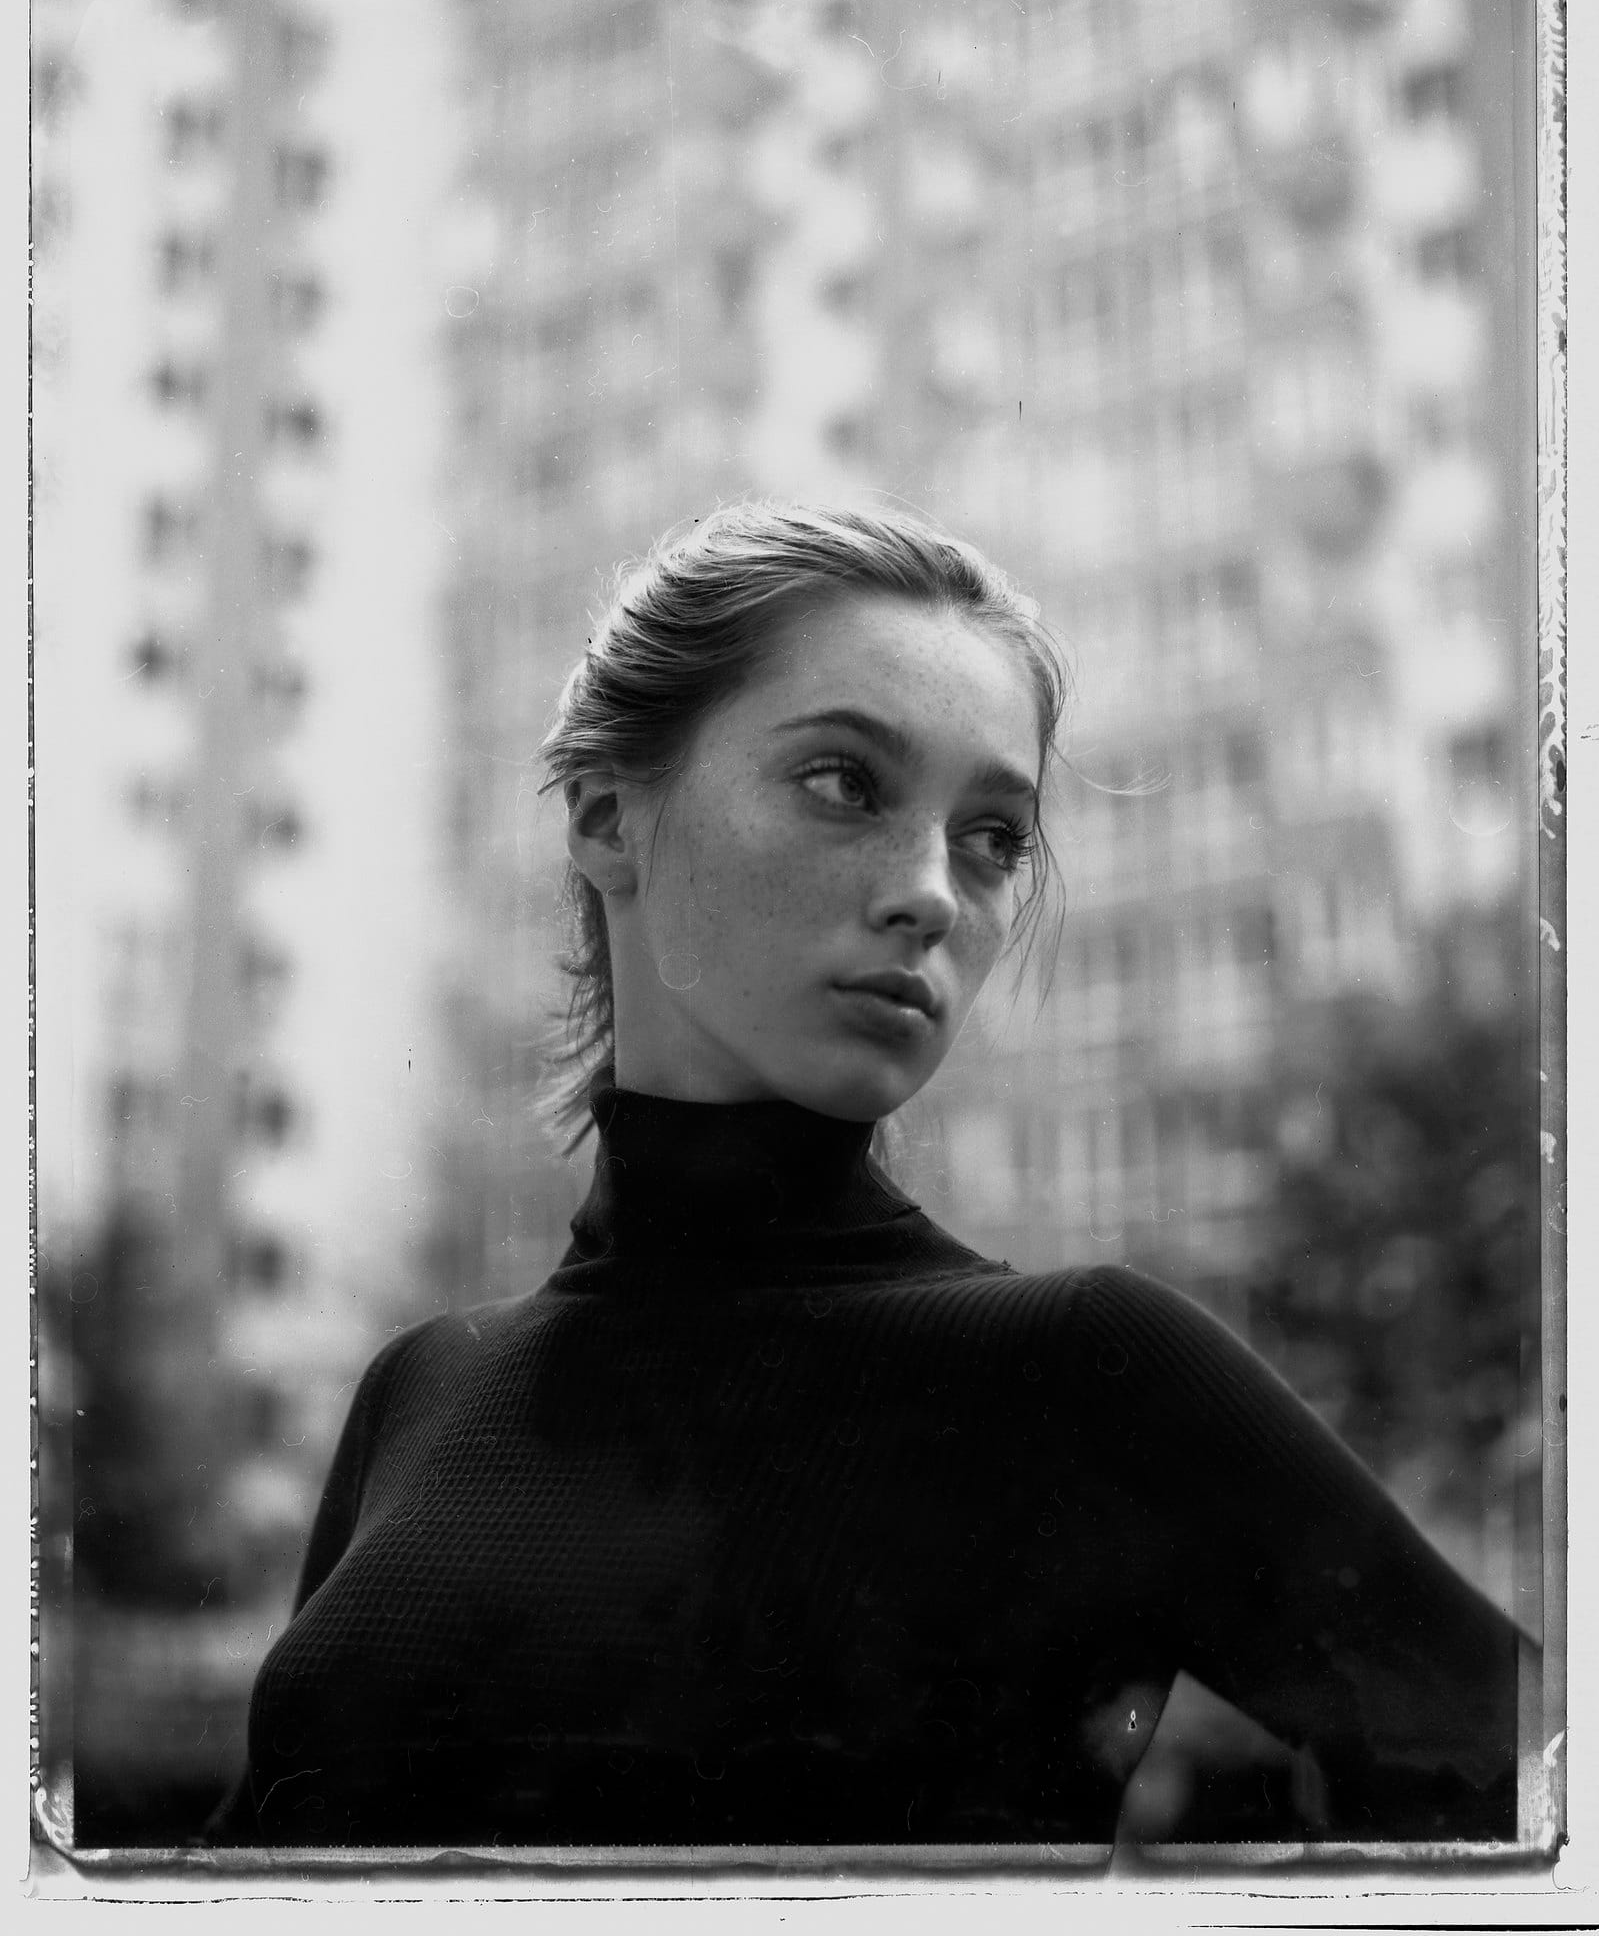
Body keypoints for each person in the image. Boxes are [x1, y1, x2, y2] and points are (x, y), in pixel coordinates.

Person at [207, 503, 1533, 1851]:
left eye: (995, 837)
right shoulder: (422, 1392)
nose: (933, 894)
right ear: (611, 818)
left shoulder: (1083, 1372)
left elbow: (1529, 1767)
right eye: (845, 782)